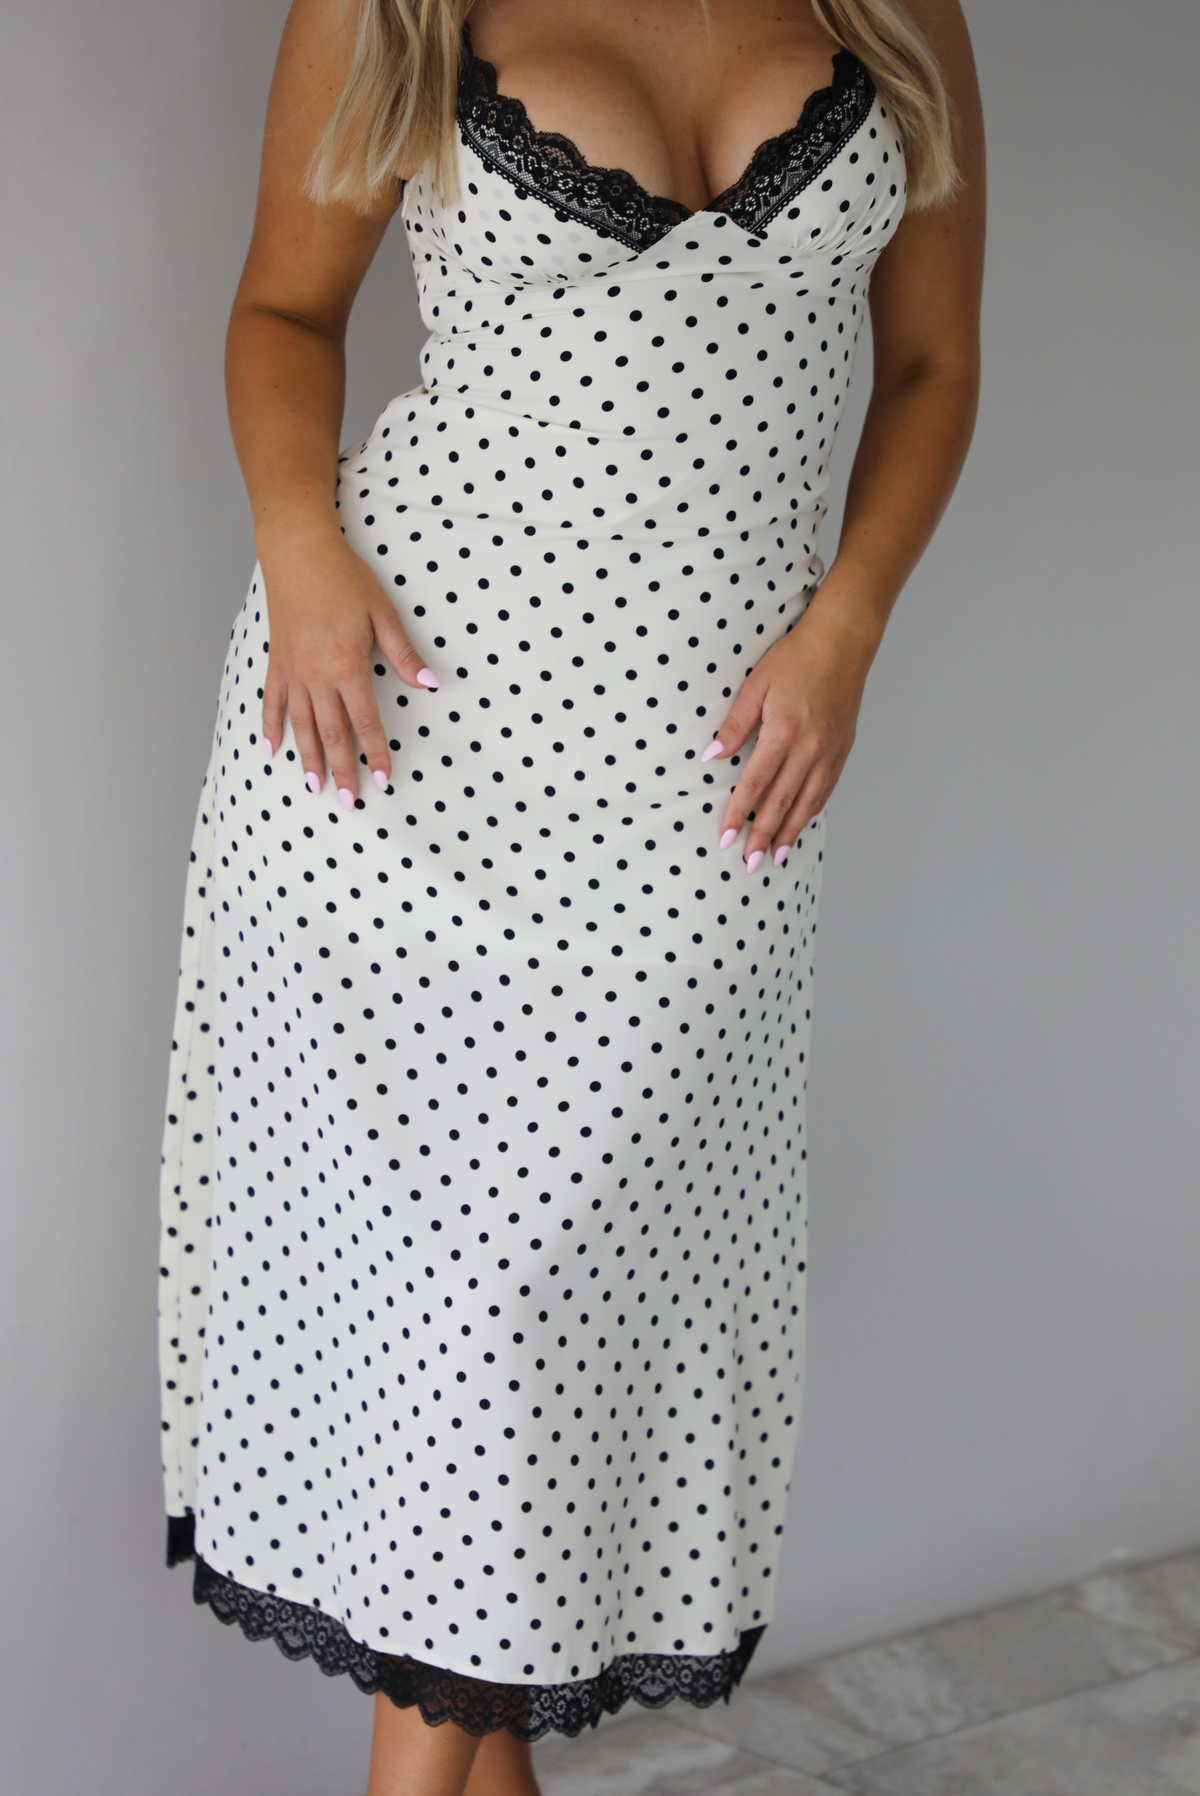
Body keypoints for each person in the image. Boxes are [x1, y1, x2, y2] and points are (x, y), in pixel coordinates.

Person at [157, 1, 984, 1790]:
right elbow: (284, 308)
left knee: (541, 1342)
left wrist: (848, 626)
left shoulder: (896, 14)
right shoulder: (401, 6)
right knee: (478, 1352)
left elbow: (929, 365)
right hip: (401, 747)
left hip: (717, 794)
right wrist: (301, 544)